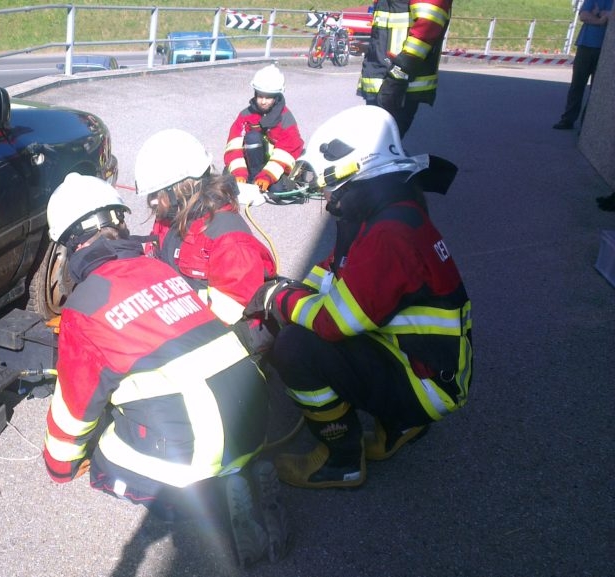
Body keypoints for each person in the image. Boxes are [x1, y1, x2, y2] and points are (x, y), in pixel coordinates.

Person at [42, 173, 285, 566]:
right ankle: (241, 471)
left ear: (69, 245)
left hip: (199, 437)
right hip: (253, 412)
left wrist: (59, 465)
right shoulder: (161, 270)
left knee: (106, 461)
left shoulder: (83, 308)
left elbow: (75, 407)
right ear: (119, 223)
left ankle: (213, 497)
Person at [244, 105, 473, 489]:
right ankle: (401, 424)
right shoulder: (388, 208)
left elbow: (334, 324)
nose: (326, 193)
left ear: (353, 169)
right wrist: (291, 288)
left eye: (329, 185)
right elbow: (337, 269)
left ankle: (341, 459)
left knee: (297, 348)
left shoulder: (388, 233)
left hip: (427, 381)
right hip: (429, 365)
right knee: (308, 318)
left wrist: (276, 300)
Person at [134, 129, 278, 352]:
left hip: (227, 335)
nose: (152, 202)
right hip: (181, 321)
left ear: (182, 187)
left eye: (157, 194)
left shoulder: (228, 239)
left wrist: (166, 336)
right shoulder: (170, 217)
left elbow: (229, 314)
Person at [358, 0, 452, 138]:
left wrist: (399, 73)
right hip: (384, 78)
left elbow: (427, 26)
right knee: (374, 147)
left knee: (380, 146)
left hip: (398, 82)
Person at [224, 65, 304, 194]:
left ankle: (263, 180)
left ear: (277, 97)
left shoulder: (285, 118)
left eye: (268, 97)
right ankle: (253, 178)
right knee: (252, 138)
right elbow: (234, 145)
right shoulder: (246, 115)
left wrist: (267, 176)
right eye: (260, 96)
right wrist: (239, 173)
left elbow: (287, 150)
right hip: (254, 161)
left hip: (276, 164)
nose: (263, 101)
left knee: (278, 191)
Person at [553, 0, 611, 130]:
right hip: (585, 45)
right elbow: (584, 16)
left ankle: (587, 125)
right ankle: (568, 119)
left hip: (606, 50)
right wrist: (601, 20)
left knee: (597, 90)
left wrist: (600, 13)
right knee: (577, 85)